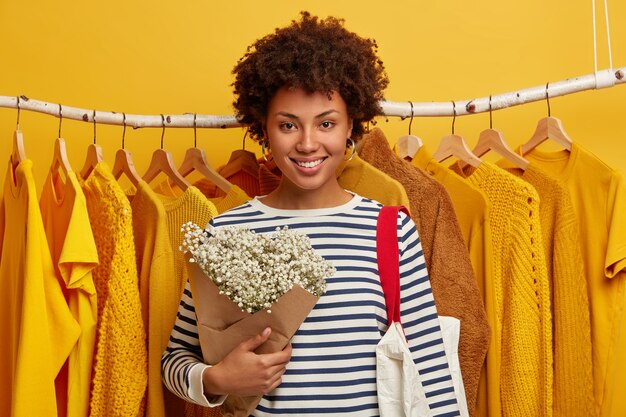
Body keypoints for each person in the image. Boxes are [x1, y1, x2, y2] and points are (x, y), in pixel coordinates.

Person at [162, 11, 461, 416]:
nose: (307, 143)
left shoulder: (390, 230)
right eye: (288, 125)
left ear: (351, 126)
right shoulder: (225, 230)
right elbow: (174, 360)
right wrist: (217, 380)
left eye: (326, 123)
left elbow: (430, 368)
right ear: (263, 129)